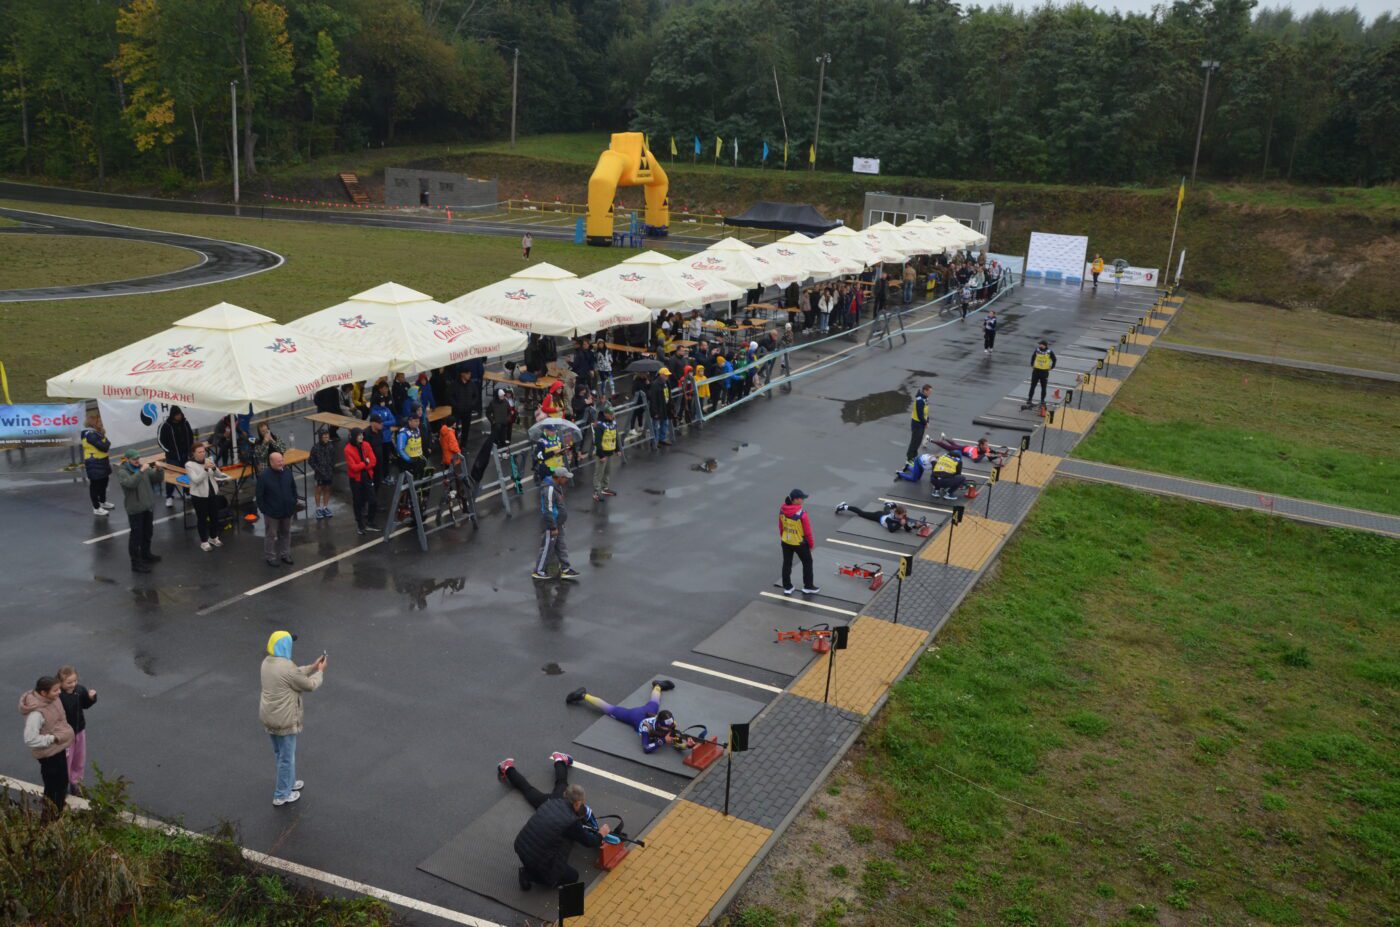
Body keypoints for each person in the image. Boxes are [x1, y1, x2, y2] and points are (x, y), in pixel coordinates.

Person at [498, 752, 604, 891]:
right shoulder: (572, 820)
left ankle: (509, 768)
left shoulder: (552, 802)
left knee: (529, 789)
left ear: (565, 794)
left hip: (521, 847)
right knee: (572, 877)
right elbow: (590, 841)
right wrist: (602, 833)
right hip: (538, 859)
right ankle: (530, 875)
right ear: (578, 804)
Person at [259, 630, 325, 807]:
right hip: (284, 720)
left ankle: (289, 782)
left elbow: (294, 673)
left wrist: (312, 666)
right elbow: (309, 685)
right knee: (286, 758)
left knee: (281, 754)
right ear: (284, 645)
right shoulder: (286, 667)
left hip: (269, 716)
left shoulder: (267, 662)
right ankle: (281, 795)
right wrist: (319, 672)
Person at [564, 679, 700, 753]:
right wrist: (663, 741)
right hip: (636, 717)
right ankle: (583, 695)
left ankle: (658, 685)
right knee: (610, 709)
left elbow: (677, 745)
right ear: (659, 724)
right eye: (667, 728)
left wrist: (687, 746)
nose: (670, 729)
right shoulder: (647, 728)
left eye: (671, 726)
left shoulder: (670, 725)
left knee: (655, 702)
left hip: (649, 711)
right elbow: (646, 748)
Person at [19, 675, 73, 816]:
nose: (59, 693)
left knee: (61, 782)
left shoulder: (52, 699)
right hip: (49, 754)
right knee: (55, 786)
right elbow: (30, 739)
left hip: (58, 748)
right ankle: (51, 818)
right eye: (55, 690)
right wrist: (52, 738)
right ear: (44, 693)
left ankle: (56, 810)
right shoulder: (36, 714)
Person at [116, 448, 162, 573]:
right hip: (135, 509)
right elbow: (131, 484)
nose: (137, 461)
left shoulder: (142, 468)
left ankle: (146, 554)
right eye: (134, 459)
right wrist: (141, 471)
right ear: (127, 459)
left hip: (147, 506)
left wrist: (159, 470)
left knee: (148, 533)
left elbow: (157, 479)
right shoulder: (122, 472)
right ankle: (135, 563)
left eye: (138, 458)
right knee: (136, 537)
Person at [56, 666, 96, 796]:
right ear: (60, 683)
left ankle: (76, 784)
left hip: (79, 731)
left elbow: (85, 704)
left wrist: (91, 698)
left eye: (74, 681)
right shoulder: (58, 697)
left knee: (79, 759)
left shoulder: (80, 690)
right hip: (66, 736)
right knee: (66, 760)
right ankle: (62, 785)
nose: (73, 684)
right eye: (69, 682)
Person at [533, 467, 579, 581]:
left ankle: (565, 568)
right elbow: (547, 510)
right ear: (559, 478)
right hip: (551, 524)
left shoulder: (557, 486)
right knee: (547, 548)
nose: (567, 480)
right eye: (566, 478)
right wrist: (552, 526)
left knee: (561, 546)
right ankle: (538, 571)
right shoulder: (549, 489)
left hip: (557, 522)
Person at [256, 451, 298, 567]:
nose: (281, 463)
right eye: (278, 461)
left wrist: (293, 502)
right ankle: (270, 556)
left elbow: (293, 488)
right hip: (272, 513)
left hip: (287, 510)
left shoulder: (287, 472)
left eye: (282, 460)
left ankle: (285, 554)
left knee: (286, 533)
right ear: (271, 462)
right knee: (271, 535)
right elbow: (259, 496)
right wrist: (265, 510)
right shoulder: (264, 476)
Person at [186, 443, 228, 550]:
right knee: (202, 519)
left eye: (203, 451)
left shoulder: (209, 461)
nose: (202, 454)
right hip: (199, 496)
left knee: (214, 517)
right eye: (199, 452)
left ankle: (213, 537)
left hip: (212, 494)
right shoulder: (189, 465)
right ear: (193, 453)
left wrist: (214, 468)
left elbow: (219, 475)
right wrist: (205, 469)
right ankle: (204, 541)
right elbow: (196, 480)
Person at [779, 489, 819, 596]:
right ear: (795, 500)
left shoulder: (782, 511)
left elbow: (781, 527)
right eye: (801, 498)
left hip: (786, 541)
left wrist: (784, 537)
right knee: (807, 563)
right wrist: (810, 544)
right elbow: (807, 532)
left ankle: (787, 587)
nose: (803, 500)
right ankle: (808, 586)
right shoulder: (802, 514)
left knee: (787, 563)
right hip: (800, 543)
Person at [157, 406, 195, 508]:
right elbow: (160, 440)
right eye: (177, 415)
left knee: (186, 474)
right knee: (171, 477)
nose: (179, 416)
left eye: (180, 414)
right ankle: (169, 497)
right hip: (172, 457)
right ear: (173, 415)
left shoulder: (185, 423)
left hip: (185, 454)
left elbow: (191, 436)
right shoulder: (165, 425)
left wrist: (191, 448)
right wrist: (169, 451)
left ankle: (187, 492)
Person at [344, 427, 378, 536]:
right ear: (354, 437)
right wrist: (365, 463)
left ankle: (370, 522)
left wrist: (364, 465)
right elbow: (353, 467)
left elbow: (373, 461)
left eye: (362, 435)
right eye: (359, 435)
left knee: (373, 500)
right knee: (358, 502)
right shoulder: (347, 449)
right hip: (356, 480)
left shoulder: (366, 445)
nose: (361, 437)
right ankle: (360, 525)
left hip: (367, 476)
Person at [81, 413, 114, 516]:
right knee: (95, 485)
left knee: (104, 482)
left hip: (102, 462)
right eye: (98, 422)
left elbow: (107, 444)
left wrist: (103, 437)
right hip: (94, 463)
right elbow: (104, 446)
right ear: (92, 423)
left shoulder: (96, 433)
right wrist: (104, 438)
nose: (101, 424)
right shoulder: (90, 434)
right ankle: (96, 507)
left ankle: (103, 502)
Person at [448, 367, 481, 451]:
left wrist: (471, 404)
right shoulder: (455, 384)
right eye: (468, 373)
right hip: (457, 411)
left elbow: (476, 395)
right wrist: (456, 405)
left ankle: (463, 444)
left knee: (466, 428)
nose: (469, 375)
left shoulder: (471, 384)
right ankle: (454, 444)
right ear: (462, 374)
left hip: (467, 411)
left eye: (469, 373)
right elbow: (450, 396)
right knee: (454, 428)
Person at [592, 405, 620, 501]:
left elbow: (615, 437)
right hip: (602, 453)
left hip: (609, 451)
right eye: (611, 414)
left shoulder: (613, 423)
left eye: (613, 413)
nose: (613, 415)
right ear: (605, 414)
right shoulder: (600, 425)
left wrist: (618, 449)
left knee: (607, 472)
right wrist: (601, 455)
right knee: (599, 473)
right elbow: (597, 442)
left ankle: (605, 488)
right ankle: (596, 492)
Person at [930, 434, 1007, 467]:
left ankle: (944, 437)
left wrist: (1000, 455)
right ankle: (930, 440)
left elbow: (991, 456)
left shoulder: (986, 448)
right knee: (948, 447)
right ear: (981, 445)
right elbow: (975, 460)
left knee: (954, 444)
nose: (987, 446)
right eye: (986, 445)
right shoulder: (975, 451)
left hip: (967, 447)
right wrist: (984, 455)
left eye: (987, 444)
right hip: (963, 450)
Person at [309, 426, 336, 519]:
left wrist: (331, 468)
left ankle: (325, 507)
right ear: (320, 437)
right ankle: (318, 508)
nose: (326, 437)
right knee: (319, 490)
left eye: (327, 435)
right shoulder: (315, 448)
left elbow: (333, 459)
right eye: (324, 436)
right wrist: (317, 469)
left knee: (327, 489)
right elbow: (311, 461)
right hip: (319, 474)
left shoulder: (331, 446)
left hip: (328, 473)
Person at [835, 500, 913, 532]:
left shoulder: (902, 518)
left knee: (886, 510)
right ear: (897, 514)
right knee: (862, 513)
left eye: (904, 515)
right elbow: (891, 530)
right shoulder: (889, 519)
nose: (904, 516)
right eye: (903, 515)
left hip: (886, 513)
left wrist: (914, 527)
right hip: (878, 516)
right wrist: (900, 524)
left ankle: (889, 504)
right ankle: (844, 506)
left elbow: (907, 528)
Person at [394, 410, 427, 480]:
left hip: (416, 459)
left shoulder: (417, 429)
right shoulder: (403, 433)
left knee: (418, 479)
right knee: (408, 482)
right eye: (415, 421)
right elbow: (400, 449)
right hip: (406, 462)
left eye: (418, 421)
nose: (418, 423)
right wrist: (408, 459)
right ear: (409, 421)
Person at [1026, 340, 1057, 407]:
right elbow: (1033, 356)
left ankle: (1042, 400)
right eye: (1040, 344)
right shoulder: (1037, 350)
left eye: (1041, 344)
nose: (1040, 345)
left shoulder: (1049, 352)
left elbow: (1054, 359)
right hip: (1036, 371)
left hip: (1044, 372)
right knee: (1032, 386)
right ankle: (1029, 399)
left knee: (1043, 387)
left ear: (1044, 345)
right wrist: (1032, 364)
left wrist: (1052, 367)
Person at [648, 367, 674, 446]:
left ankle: (662, 439)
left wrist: (670, 405)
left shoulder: (666, 383)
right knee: (655, 426)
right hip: (658, 408)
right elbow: (653, 399)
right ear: (661, 375)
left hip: (665, 406)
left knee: (664, 423)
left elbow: (669, 394)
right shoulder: (655, 384)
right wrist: (655, 411)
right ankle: (654, 442)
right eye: (666, 375)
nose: (667, 377)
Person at [907, 384, 932, 462]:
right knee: (914, 442)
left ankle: (914, 457)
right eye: (929, 392)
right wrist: (925, 423)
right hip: (917, 424)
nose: (930, 393)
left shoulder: (925, 399)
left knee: (918, 441)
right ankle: (909, 459)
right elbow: (920, 414)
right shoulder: (920, 400)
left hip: (921, 424)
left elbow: (926, 412)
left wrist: (927, 420)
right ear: (925, 391)